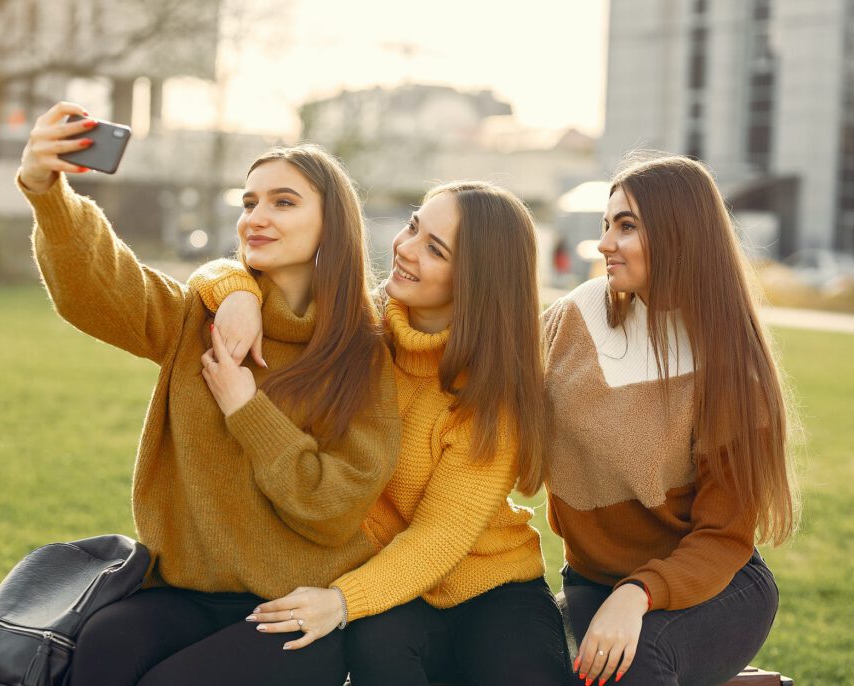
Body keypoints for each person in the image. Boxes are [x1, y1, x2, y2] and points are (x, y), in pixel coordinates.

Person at [16, 102, 401, 686]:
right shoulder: (198, 317)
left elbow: (334, 508)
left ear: (333, 224)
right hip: (182, 591)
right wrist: (48, 192)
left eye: (283, 201)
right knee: (100, 652)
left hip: (293, 608)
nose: (256, 217)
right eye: (249, 202)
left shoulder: (363, 351)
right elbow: (99, 287)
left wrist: (248, 410)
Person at [191, 181, 571, 684]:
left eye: (435, 249)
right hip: (387, 582)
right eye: (414, 225)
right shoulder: (355, 328)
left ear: (478, 280)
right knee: (379, 651)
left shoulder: (493, 393)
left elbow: (439, 537)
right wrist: (237, 292)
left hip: (492, 583)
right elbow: (235, 272)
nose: (405, 248)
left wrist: (342, 602)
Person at [543, 154, 798, 686]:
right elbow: (488, 378)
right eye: (606, 225)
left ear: (681, 234)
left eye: (627, 226)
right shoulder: (579, 316)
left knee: (631, 668)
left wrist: (638, 594)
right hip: (594, 581)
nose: (606, 243)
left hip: (710, 586)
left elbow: (723, 538)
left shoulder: (732, 368)